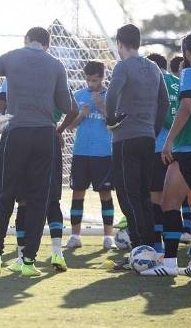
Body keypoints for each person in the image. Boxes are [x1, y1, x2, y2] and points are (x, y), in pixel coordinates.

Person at [0, 27, 74, 276]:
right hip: (45, 135)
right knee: (39, 199)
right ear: (47, 45)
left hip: (15, 131)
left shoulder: (11, 56)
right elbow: (67, 106)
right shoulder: (56, 64)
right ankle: (28, 262)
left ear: (26, 40)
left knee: (4, 195)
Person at [141, 32, 191, 277]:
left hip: (189, 150)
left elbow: (185, 108)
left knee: (169, 204)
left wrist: (168, 141)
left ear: (186, 52)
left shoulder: (189, 73)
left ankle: (168, 264)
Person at [104, 24, 169, 270]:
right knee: (143, 195)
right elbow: (163, 103)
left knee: (127, 195)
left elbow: (111, 95)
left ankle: (140, 249)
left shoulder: (123, 66)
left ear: (121, 43)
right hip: (146, 139)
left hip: (125, 139)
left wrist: (111, 119)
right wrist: (152, 130)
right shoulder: (153, 68)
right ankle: (149, 249)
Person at [65, 61, 116, 250]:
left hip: (103, 153)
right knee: (78, 193)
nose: (91, 84)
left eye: (94, 80)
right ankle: (75, 236)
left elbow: (115, 122)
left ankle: (108, 237)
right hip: (81, 152)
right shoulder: (78, 95)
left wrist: (101, 105)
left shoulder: (111, 95)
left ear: (102, 77)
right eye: (88, 80)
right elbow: (69, 126)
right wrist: (81, 115)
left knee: (105, 193)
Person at [146, 53, 180, 255]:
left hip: (159, 147)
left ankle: (157, 245)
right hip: (181, 148)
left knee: (156, 199)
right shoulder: (179, 82)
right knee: (176, 201)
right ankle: (176, 246)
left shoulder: (155, 82)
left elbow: (162, 115)